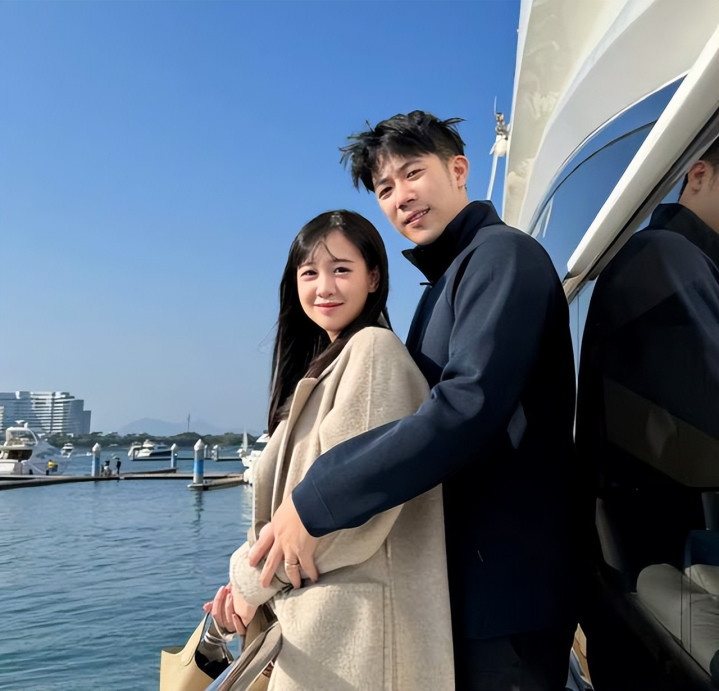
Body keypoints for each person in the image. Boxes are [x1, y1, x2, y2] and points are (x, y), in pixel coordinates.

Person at [248, 111, 579, 690]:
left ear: (459, 170)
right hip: (471, 590)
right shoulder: (445, 284)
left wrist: (316, 499)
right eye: (384, 188)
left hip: (507, 594)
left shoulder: (502, 257)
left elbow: (465, 408)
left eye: (412, 173)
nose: (400, 197)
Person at [207, 210, 454, 689]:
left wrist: (247, 583)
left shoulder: (373, 352)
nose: (324, 287)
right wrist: (244, 589)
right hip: (328, 636)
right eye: (309, 273)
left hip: (357, 645)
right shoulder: (329, 366)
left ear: (373, 278)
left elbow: (342, 518)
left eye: (341, 269)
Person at [575, 138, 719, 689]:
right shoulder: (666, 257)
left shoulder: (671, 257)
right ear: (698, 175)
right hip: (654, 565)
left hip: (639, 566)